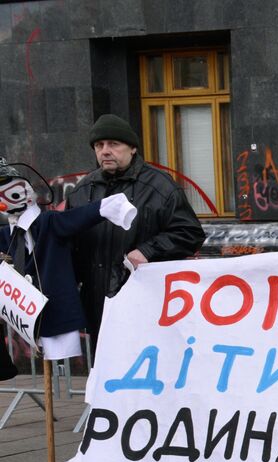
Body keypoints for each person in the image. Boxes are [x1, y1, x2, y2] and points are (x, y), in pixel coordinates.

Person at [66, 114, 205, 344]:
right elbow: (71, 245)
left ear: (132, 148)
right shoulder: (81, 191)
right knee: (105, 376)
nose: (105, 151)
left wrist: (148, 251)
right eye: (99, 145)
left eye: (113, 144)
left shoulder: (160, 186)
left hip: (148, 305)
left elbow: (190, 233)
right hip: (99, 307)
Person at [1, 158, 136, 363]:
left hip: (55, 309)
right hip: (26, 314)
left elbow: (82, 216)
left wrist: (113, 207)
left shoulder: (49, 222)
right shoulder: (8, 234)